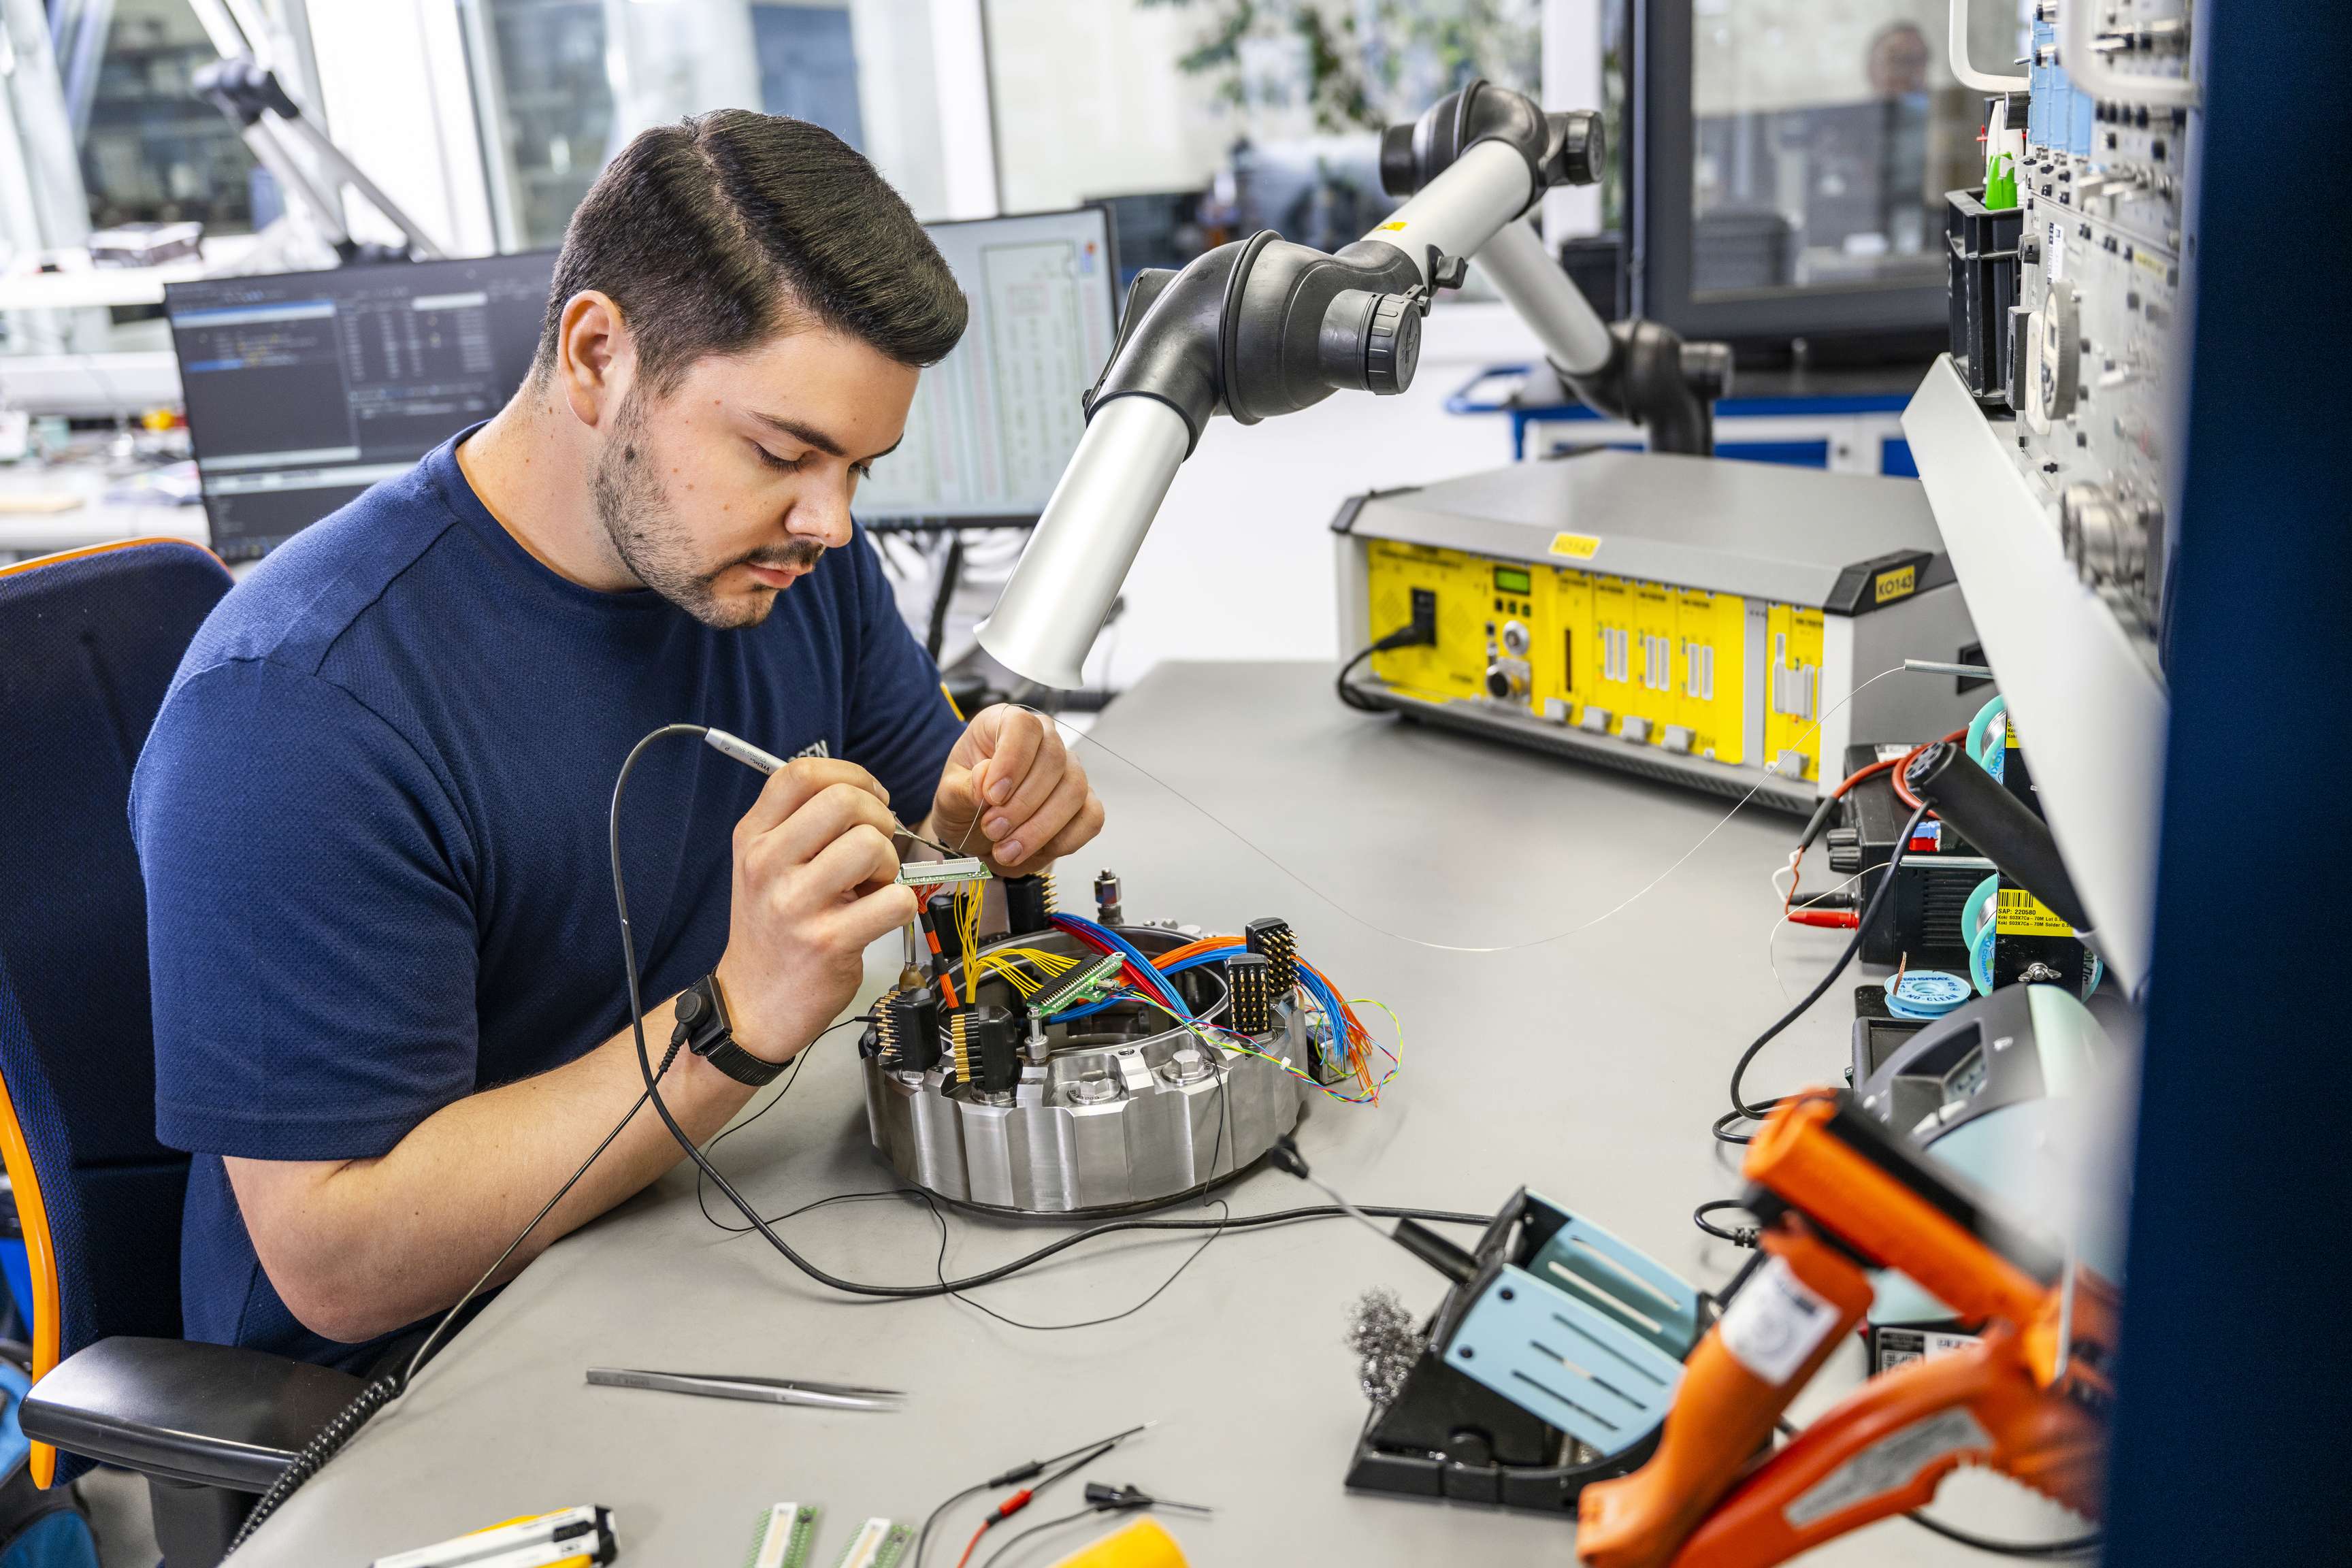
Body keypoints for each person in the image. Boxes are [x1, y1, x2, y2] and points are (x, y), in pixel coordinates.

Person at [131, 111, 1105, 1372]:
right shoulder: (298, 707)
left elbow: (930, 840)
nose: (833, 521)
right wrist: (735, 1017)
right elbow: (336, 1257)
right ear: (598, 356)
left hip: (714, 1228)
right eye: (784, 452)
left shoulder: (791, 566)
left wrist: (979, 835)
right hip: (425, 1383)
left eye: (861, 467)